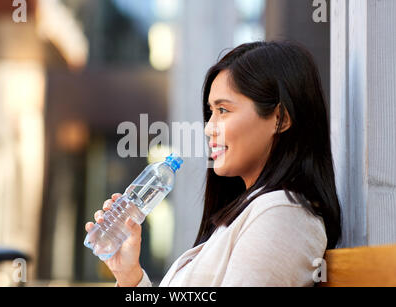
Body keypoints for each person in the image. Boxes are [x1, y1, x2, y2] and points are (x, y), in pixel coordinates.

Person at [85, 40, 342, 287]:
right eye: (211, 112)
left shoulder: (283, 216)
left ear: (280, 119)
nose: (209, 128)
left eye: (223, 110)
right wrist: (130, 276)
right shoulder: (248, 212)